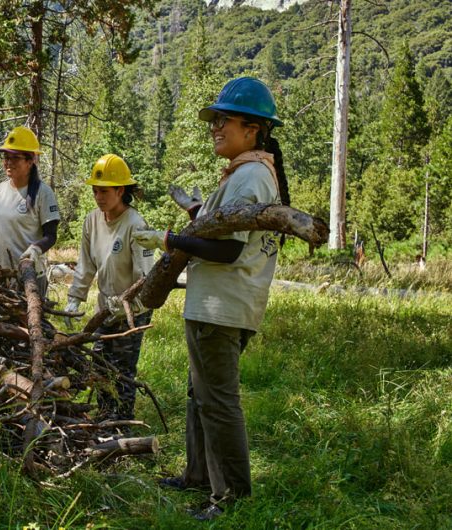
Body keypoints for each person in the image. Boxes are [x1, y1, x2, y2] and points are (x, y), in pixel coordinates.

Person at [133, 77, 290, 521]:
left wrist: (169, 239)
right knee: (199, 393)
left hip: (221, 306)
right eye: (214, 120)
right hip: (218, 303)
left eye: (224, 120)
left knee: (218, 401)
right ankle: (198, 475)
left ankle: (231, 497)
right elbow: (220, 227)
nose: (215, 127)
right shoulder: (246, 175)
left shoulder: (252, 177)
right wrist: (195, 215)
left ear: (254, 128)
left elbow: (229, 248)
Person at [64, 154, 155, 421]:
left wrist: (131, 304)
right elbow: (86, 265)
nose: (98, 197)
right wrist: (74, 299)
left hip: (131, 311)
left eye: (104, 191)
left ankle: (122, 423)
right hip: (105, 307)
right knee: (100, 365)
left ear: (120, 190)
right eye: (94, 191)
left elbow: (145, 276)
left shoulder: (135, 225)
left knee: (123, 370)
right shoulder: (92, 220)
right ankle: (104, 420)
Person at [0, 126, 60, 295]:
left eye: (15, 157)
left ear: (30, 160)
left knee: (32, 320)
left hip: (29, 275)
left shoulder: (43, 193)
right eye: (6, 157)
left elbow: (51, 235)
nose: (8, 162)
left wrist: (36, 249)